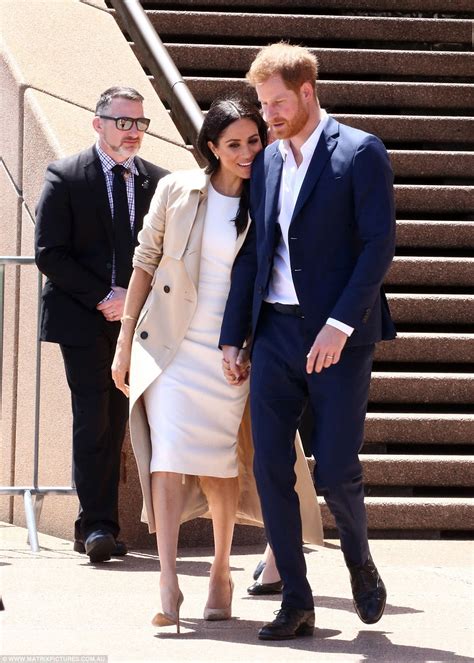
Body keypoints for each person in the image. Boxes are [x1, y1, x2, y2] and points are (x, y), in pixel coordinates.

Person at [111, 96, 323, 633]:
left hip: (235, 351)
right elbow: (144, 262)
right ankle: (166, 580)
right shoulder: (176, 190)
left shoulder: (271, 196)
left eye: (255, 141)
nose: (248, 152)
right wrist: (123, 339)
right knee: (168, 455)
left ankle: (221, 570)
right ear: (211, 147)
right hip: (171, 347)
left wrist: (253, 345)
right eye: (235, 144)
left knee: (221, 460)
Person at [220, 42, 396, 640]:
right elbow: (257, 251)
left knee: (337, 467)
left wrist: (340, 325)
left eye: (276, 103)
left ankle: (359, 561)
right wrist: (233, 336)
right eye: (262, 103)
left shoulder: (360, 151)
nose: (267, 114)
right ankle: (296, 600)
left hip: (338, 337)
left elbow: (378, 246)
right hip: (273, 331)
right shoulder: (267, 162)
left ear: (306, 93)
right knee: (270, 464)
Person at [34, 86, 168, 563]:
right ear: (98, 123)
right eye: (123, 122)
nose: (133, 132)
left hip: (147, 323)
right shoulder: (66, 175)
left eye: (140, 123)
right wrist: (106, 298)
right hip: (86, 320)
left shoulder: (160, 182)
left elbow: (168, 255)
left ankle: (150, 524)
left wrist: (135, 302)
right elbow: (49, 252)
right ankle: (96, 527)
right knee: (96, 420)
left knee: (136, 424)